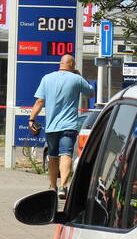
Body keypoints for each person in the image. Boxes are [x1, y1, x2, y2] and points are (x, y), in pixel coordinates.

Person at [28, 54, 95, 199]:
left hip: (52, 126)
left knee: (53, 156)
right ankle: (63, 187)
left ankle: (53, 186)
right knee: (66, 154)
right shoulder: (77, 79)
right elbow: (90, 94)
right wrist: (80, 78)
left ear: (61, 64)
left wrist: (31, 119)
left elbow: (39, 101)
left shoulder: (47, 78)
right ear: (71, 64)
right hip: (69, 125)